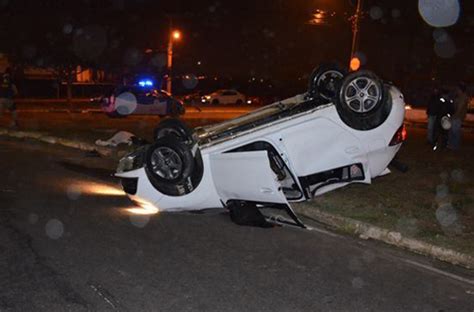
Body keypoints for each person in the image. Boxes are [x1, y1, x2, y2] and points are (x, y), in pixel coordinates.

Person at [447, 82, 468, 150]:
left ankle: (454, 146)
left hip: (457, 117)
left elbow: (459, 108)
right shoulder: (459, 96)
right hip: (456, 116)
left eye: (457, 89)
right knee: (453, 131)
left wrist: (454, 116)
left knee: (455, 132)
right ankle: (452, 145)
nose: (456, 90)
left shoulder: (463, 97)